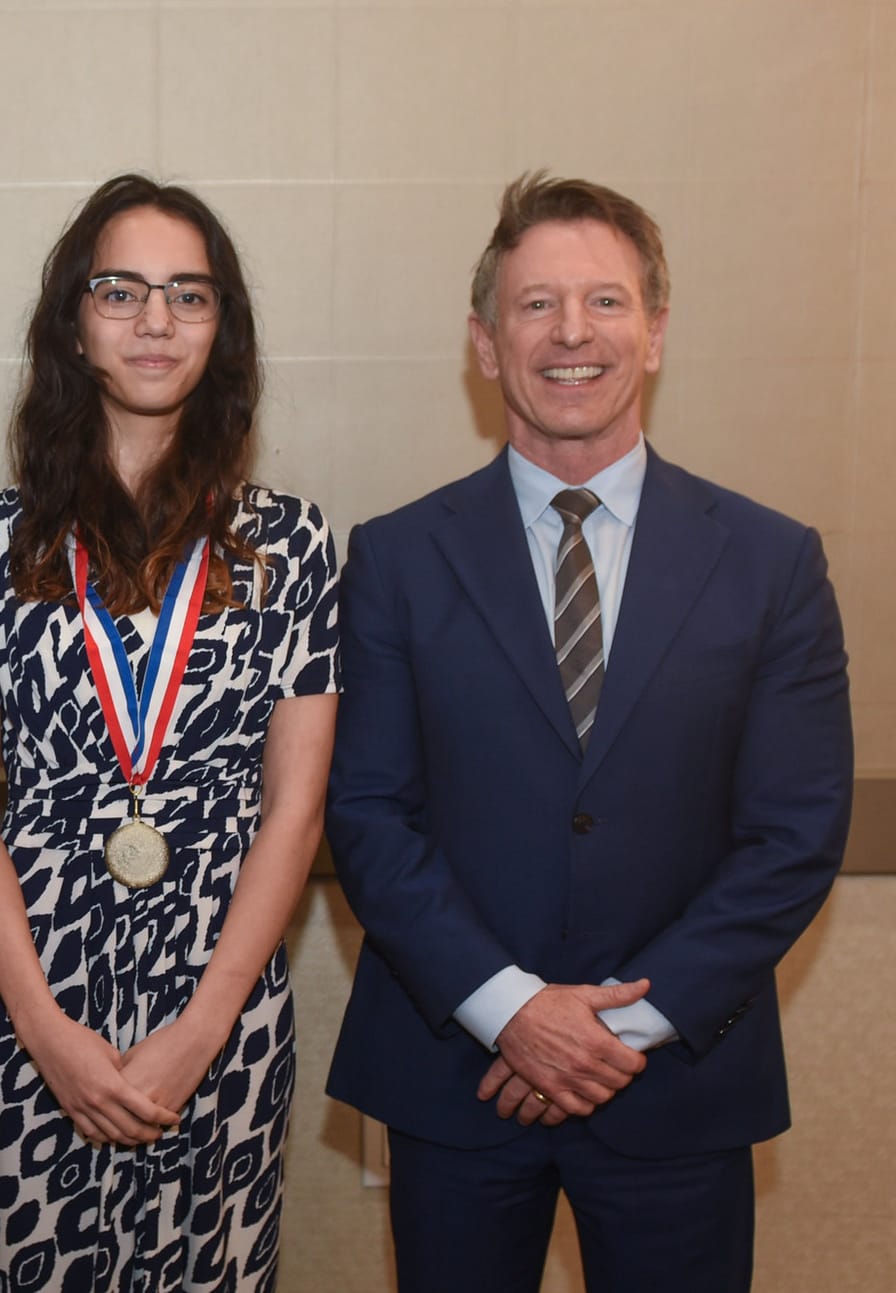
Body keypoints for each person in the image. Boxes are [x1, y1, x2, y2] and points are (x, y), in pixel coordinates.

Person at [324, 172, 853, 1292]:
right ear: (482, 341)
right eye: (535, 305)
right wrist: (511, 1012)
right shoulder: (394, 558)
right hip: (456, 1078)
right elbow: (368, 812)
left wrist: (621, 1029)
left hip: (674, 1088)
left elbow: (795, 832)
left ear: (653, 334)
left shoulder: (770, 563)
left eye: (605, 303)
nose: (572, 333)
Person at [0, 174, 339, 1291]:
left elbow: (295, 810)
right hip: (34, 998)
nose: (155, 322)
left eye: (188, 296)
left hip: (224, 998)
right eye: (121, 291)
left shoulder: (289, 547)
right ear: (73, 319)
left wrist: (205, 1027)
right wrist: (37, 1027)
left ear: (223, 328)